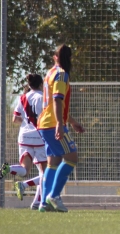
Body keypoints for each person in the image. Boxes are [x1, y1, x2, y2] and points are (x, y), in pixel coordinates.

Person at [37, 44, 85, 212]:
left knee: (53, 162)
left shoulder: (49, 73)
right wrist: (60, 123)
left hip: (44, 123)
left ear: (55, 57)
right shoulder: (61, 74)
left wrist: (70, 121)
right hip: (53, 123)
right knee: (72, 158)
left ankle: (44, 203)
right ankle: (54, 196)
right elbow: (57, 100)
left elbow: (54, 104)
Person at [0, 74, 47, 210]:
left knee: (24, 170)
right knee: (46, 173)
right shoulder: (42, 97)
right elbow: (46, 117)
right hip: (40, 138)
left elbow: (15, 119)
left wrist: (26, 123)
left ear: (29, 85)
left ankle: (9, 168)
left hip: (24, 137)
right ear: (41, 84)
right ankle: (38, 203)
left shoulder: (23, 97)